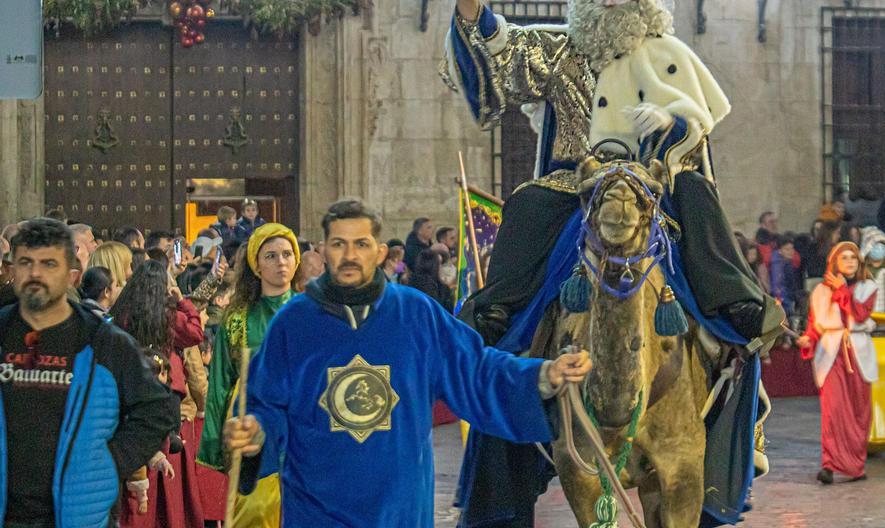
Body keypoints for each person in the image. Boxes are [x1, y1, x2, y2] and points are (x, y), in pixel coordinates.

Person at [446, 0, 783, 347]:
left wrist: (668, 120)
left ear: (638, 1)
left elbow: (697, 122)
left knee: (697, 192)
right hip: (577, 180)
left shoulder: (666, 54)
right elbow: (497, 45)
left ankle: (735, 303)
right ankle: (497, 309)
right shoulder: (561, 49)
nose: (608, 2)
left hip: (650, 181)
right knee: (527, 201)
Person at [222, 199, 592, 527]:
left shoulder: (416, 315)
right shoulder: (293, 323)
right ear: (323, 251)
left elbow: (477, 371)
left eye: (361, 244)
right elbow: (266, 404)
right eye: (339, 244)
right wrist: (254, 432)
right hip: (317, 510)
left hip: (399, 512)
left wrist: (542, 374)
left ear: (380, 252)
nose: (350, 255)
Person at [1, 218, 174, 527]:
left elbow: (157, 410)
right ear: (12, 269)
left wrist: (109, 463)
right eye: (26, 262)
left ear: (72, 274)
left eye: (49, 263)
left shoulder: (104, 341)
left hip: (79, 515)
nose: (36, 274)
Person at [198, 223, 300, 527]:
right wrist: (216, 445)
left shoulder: (311, 315)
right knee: (254, 510)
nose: (280, 262)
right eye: (270, 255)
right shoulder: (237, 319)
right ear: (256, 265)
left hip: (300, 429)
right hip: (251, 430)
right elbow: (219, 384)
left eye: (286, 254)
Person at [109, 259, 206, 528]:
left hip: (128, 397)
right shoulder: (167, 315)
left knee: (137, 471)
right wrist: (183, 301)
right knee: (168, 476)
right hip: (166, 398)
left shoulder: (121, 315)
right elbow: (196, 333)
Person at [798, 241, 877, 484]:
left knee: (858, 412)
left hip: (858, 351)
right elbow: (814, 324)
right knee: (832, 411)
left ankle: (855, 466)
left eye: (853, 258)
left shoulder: (868, 287)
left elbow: (860, 313)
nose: (850, 262)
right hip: (832, 353)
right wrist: (807, 338)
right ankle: (829, 464)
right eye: (844, 258)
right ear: (835, 263)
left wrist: (843, 290)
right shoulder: (820, 291)